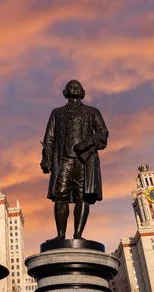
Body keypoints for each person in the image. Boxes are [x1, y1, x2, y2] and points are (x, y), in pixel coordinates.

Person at [40, 80, 109, 240]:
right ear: (65, 92)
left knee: (82, 195)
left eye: (78, 86)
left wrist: (87, 143)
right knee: (60, 194)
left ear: (83, 91)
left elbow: (102, 132)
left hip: (85, 160)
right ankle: (60, 235)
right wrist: (47, 157)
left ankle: (78, 234)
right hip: (63, 159)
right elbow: (49, 137)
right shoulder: (57, 113)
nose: (75, 87)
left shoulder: (92, 112)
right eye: (72, 86)